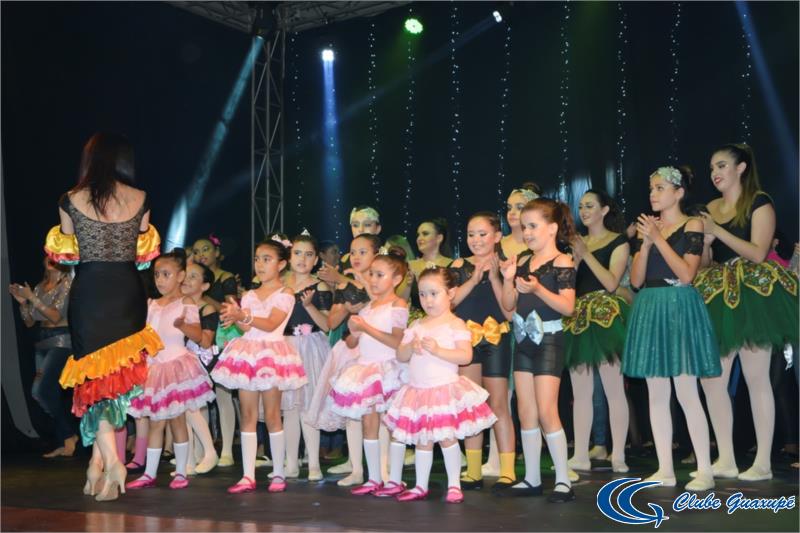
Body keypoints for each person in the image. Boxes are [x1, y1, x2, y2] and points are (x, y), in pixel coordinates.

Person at [44, 132, 162, 501]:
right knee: (113, 381)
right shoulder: (140, 197)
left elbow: (68, 251)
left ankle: (113, 462)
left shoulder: (70, 199)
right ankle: (96, 466)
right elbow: (142, 249)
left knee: (94, 381)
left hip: (91, 292)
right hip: (128, 292)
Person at [693, 144, 799, 481]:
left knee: (756, 378)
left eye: (722, 165)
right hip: (718, 293)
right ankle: (725, 457)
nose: (715, 173)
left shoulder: (759, 202)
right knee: (711, 380)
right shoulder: (710, 208)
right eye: (712, 167)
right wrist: (705, 247)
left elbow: (757, 253)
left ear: (741, 168)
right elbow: (705, 265)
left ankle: (763, 462)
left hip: (754, 294)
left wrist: (718, 231)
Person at [622, 166, 721, 491]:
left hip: (678, 306)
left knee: (686, 391)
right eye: (651, 188)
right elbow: (636, 281)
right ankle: (665, 468)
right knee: (656, 393)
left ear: (678, 193)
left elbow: (688, 274)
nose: (653, 193)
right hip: (650, 305)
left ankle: (704, 469)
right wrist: (646, 244)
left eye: (660, 188)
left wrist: (657, 239)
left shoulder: (692, 224)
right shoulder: (649, 229)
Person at [382, 266, 496, 503]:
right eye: (423, 294)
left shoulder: (455, 324)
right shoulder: (416, 325)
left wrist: (438, 350)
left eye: (434, 293)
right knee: (423, 440)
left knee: (447, 438)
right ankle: (420, 485)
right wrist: (409, 347)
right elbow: (400, 355)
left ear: (450, 293)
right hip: (418, 391)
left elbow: (465, 356)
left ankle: (454, 485)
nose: (428, 300)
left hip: (443, 390)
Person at [211, 235, 307, 493]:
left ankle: (279, 473)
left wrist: (242, 315)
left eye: (267, 259)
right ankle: (247, 475)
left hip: (271, 355)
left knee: (273, 415)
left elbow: (271, 323)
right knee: (248, 415)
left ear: (281, 264)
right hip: (248, 355)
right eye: (257, 259)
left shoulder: (285, 294)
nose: (260, 264)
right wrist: (235, 317)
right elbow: (247, 328)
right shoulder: (250, 294)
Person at [497, 198, 577, 502]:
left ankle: (563, 480)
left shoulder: (562, 261)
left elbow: (567, 307)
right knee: (525, 410)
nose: (527, 232)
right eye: (524, 226)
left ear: (552, 228)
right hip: (523, 340)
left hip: (549, 340)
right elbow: (508, 308)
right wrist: (508, 280)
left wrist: (538, 289)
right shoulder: (522, 261)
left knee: (546, 410)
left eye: (533, 226)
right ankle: (532, 478)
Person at [125, 250, 216, 490]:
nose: (160, 280)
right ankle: (149, 473)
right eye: (157, 275)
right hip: (154, 368)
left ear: (180, 276)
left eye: (166, 274)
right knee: (156, 422)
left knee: (177, 420)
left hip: (176, 367)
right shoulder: (151, 304)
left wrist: (184, 325)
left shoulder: (186, 303)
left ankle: (182, 472)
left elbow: (198, 336)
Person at [327, 247, 410, 496]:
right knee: (368, 423)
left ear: (396, 279)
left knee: (393, 425)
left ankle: (393, 479)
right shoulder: (367, 308)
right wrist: (354, 333)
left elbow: (397, 341)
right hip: (366, 369)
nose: (373, 280)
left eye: (380, 275)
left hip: (389, 369)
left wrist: (366, 328)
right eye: (372, 274)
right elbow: (354, 343)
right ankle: (373, 477)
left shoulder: (398, 304)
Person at [563, 190, 631, 474]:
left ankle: (618, 454)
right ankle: (580, 454)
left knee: (614, 390)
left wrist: (586, 254)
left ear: (604, 210)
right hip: (579, 316)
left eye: (590, 205)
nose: (584, 211)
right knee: (581, 393)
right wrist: (575, 259)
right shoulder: (576, 243)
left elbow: (612, 283)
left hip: (606, 316)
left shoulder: (618, 241)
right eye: (581, 206)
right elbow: (568, 283)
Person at [304, 233, 378, 487]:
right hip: (351, 349)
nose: (356, 257)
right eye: (353, 252)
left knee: (379, 410)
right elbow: (332, 322)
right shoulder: (346, 283)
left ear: (376, 255)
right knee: (353, 412)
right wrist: (346, 301)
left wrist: (345, 283)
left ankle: (383, 467)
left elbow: (374, 300)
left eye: (363, 252)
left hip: (376, 350)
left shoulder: (378, 278)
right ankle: (356, 467)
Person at [449, 212, 516, 491]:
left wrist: (497, 277)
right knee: (472, 404)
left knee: (498, 404)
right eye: (471, 234)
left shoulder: (507, 266)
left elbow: (509, 312)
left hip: (496, 337)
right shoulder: (459, 265)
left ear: (497, 236)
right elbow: (449, 303)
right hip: (467, 341)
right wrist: (474, 279)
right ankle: (474, 471)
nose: (476, 240)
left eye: (482, 234)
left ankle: (507, 471)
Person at [9, 257, 77, 458]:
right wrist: (23, 303)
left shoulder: (67, 283)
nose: (50, 259)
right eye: (48, 254)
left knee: (42, 390)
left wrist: (32, 297)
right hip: (42, 343)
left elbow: (55, 316)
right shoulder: (39, 287)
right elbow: (29, 322)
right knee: (41, 393)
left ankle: (68, 436)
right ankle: (66, 438)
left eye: (55, 254)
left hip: (61, 341)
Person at [281, 232, 333, 481]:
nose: (302, 259)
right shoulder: (280, 285)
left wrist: (309, 305)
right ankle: (291, 463)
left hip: (310, 347)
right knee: (289, 408)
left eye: (309, 254)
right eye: (298, 253)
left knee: (308, 407)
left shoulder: (319, 286)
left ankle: (313, 464)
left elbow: (326, 324)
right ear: (289, 256)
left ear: (315, 260)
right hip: (285, 347)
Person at [191, 235, 240, 467]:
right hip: (195, 338)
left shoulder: (226, 277)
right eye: (196, 251)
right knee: (197, 393)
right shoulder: (190, 279)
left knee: (223, 392)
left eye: (206, 249)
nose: (201, 254)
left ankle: (227, 449)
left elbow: (232, 308)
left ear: (217, 253)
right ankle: (200, 450)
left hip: (222, 336)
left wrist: (204, 297)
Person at [180, 260, 222, 474]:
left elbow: (206, 342)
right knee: (183, 410)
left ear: (205, 286)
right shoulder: (177, 305)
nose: (186, 279)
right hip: (179, 362)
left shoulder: (206, 309)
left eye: (193, 276)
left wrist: (184, 326)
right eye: (185, 275)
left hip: (199, 361)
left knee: (192, 408)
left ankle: (207, 452)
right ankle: (190, 458)